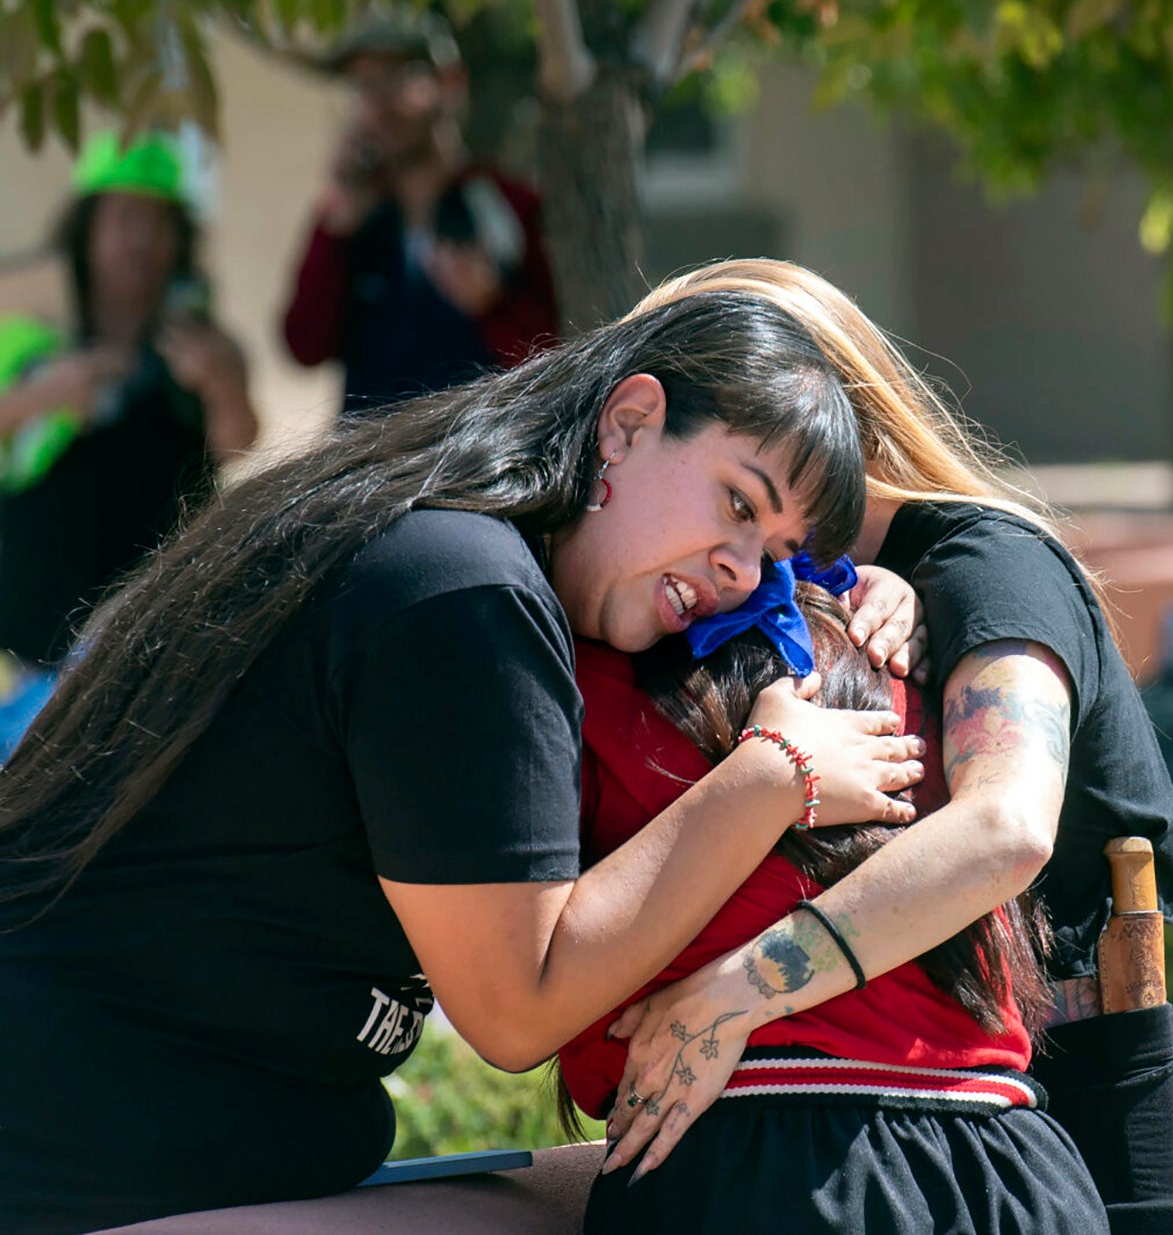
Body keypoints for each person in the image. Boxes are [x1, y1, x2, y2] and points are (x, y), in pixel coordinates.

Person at [0, 290, 926, 1234]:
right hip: (86, 1176)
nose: (742, 571)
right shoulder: (462, 594)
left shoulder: (439, 540)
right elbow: (516, 1013)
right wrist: (773, 773)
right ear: (629, 422)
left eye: (775, 555)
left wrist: (861, 598)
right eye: (737, 503)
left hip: (176, 1158)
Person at [601, 261, 1173, 1235]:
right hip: (958, 1112)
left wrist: (735, 992)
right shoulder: (821, 592)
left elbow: (1004, 828)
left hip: (1086, 1107)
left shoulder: (983, 563)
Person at [561, 576, 1110, 1233]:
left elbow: (521, 968)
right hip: (1014, 1166)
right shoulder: (878, 636)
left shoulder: (581, 673)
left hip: (758, 1162)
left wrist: (737, 992)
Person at [0, 130, 257, 675]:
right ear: (87, 229)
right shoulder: (29, 332)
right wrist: (44, 395)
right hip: (26, 640)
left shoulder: (204, 339)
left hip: (153, 640)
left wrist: (221, 385)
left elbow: (238, 447)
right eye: (125, 219)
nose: (143, 239)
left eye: (159, 221)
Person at [283, 12, 560, 411]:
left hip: (477, 460)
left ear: (450, 83)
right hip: (370, 466)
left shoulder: (509, 203)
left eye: (398, 79)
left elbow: (557, 357)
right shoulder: (351, 215)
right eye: (362, 85)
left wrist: (492, 306)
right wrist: (335, 228)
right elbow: (304, 348)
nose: (377, 104)